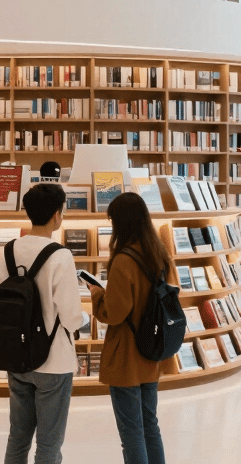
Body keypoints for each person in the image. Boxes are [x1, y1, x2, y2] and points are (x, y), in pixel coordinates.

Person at [0, 183, 85, 464]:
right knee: (49, 443)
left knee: (18, 437)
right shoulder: (60, 255)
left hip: (16, 356)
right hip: (53, 360)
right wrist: (85, 318)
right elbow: (71, 316)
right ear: (57, 216)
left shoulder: (8, 251)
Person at [89, 193, 171, 464]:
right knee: (150, 425)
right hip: (152, 349)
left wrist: (96, 294)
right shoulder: (158, 253)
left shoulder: (124, 260)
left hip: (127, 355)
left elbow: (113, 313)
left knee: (131, 431)